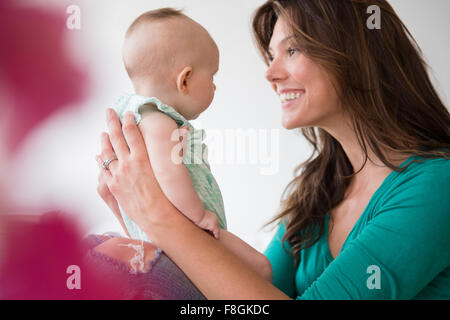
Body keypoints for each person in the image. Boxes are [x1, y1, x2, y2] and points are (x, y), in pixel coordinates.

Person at [96, 0, 450, 299]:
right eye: (271, 55)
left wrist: (157, 216)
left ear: (355, 55)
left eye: (291, 50)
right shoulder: (317, 193)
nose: (270, 73)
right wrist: (136, 212)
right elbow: (252, 291)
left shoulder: (437, 186)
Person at [94, 8, 272, 285]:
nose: (215, 86)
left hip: (161, 236)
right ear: (185, 79)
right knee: (261, 269)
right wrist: (199, 216)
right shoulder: (159, 122)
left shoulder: (135, 118)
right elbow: (168, 173)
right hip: (188, 231)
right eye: (213, 76)